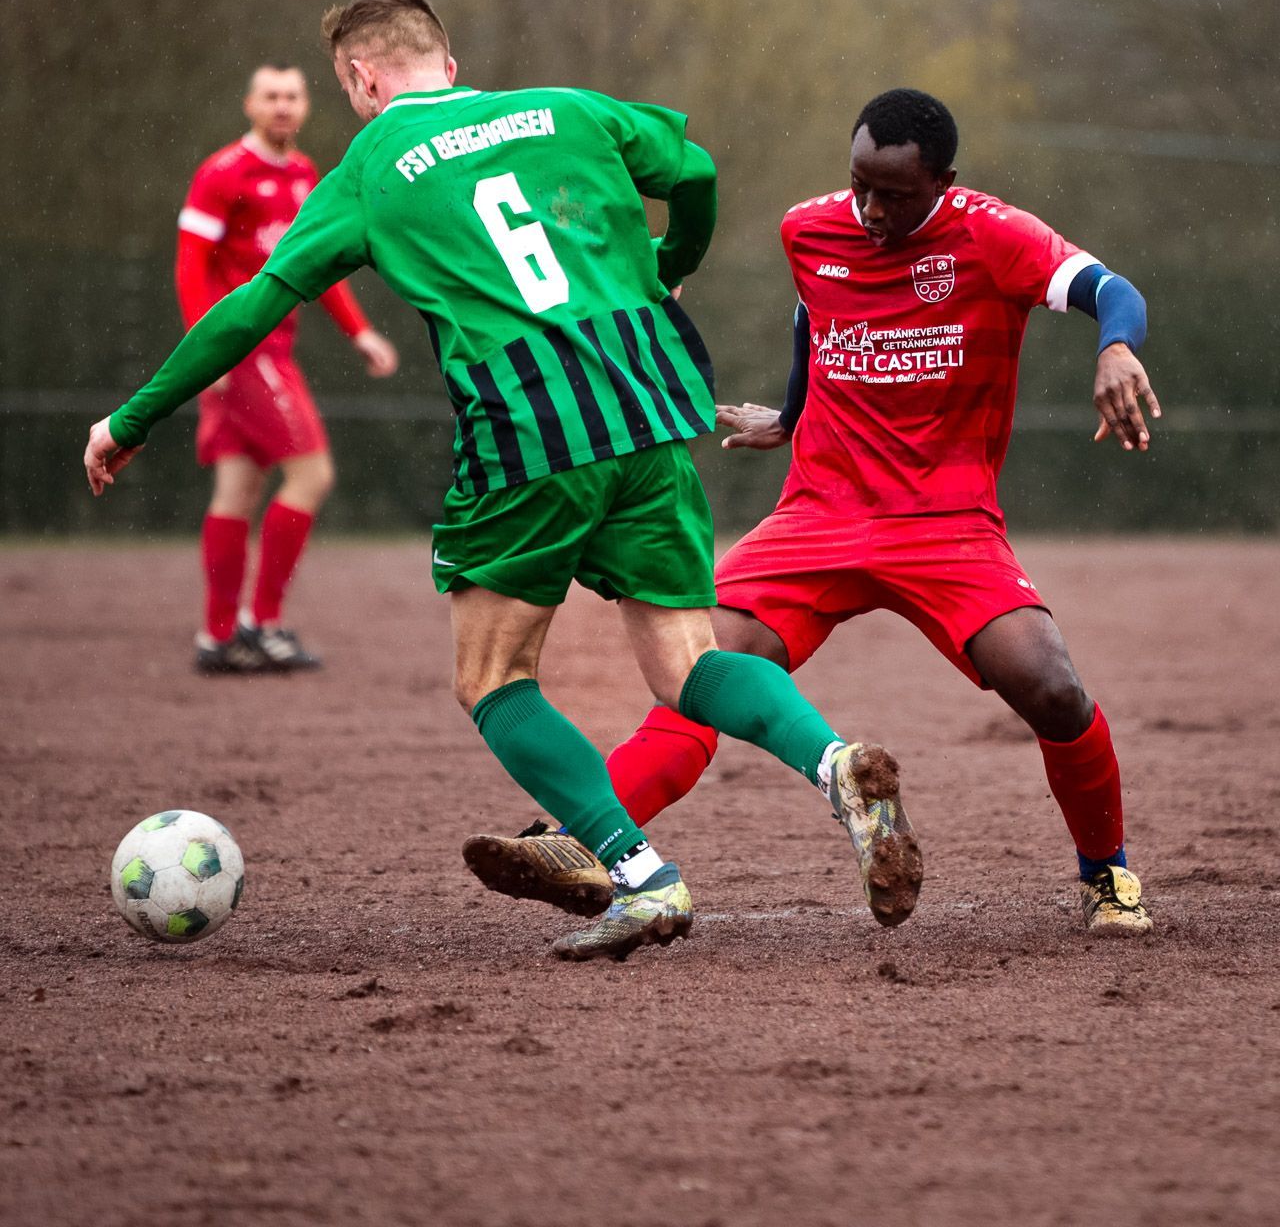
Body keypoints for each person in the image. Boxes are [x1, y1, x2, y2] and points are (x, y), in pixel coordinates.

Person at [83, 0, 923, 962]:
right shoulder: (569, 108)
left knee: (491, 675)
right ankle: (835, 762)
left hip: (527, 419)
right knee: (686, 665)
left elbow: (255, 303)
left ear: (361, 78)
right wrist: (667, 264)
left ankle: (640, 877)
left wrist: (130, 418)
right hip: (648, 401)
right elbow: (693, 170)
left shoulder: (371, 163)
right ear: (446, 59)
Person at [473, 88, 1159, 937]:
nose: (870, 209)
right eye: (859, 185)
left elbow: (1110, 289)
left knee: (1053, 690)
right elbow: (815, 315)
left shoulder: (994, 235)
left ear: (944, 180)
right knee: (694, 680)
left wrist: (1116, 347)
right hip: (817, 516)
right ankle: (580, 841)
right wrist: (793, 417)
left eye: (895, 194)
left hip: (943, 521)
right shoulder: (811, 227)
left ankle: (1108, 879)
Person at [176, 64, 400, 674]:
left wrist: (360, 332)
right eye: (271, 96)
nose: (282, 106)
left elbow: (312, 268)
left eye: (293, 96)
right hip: (244, 352)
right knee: (313, 475)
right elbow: (191, 265)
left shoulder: (305, 176)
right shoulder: (223, 174)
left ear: (305, 106)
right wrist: (206, 349)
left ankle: (217, 638)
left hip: (270, 352)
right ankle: (262, 622)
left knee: (238, 488)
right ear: (250, 103)